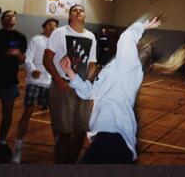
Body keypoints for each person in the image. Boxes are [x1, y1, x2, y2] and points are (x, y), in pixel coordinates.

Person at [59, 16, 162, 164]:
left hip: (112, 135)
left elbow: (126, 37)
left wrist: (143, 26)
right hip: (108, 137)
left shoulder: (129, 66)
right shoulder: (113, 70)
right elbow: (89, 92)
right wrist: (69, 72)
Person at [43, 4, 97, 163]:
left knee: (81, 131)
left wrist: (88, 84)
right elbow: (47, 59)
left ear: (84, 16)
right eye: (75, 10)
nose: (78, 12)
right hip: (63, 87)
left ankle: (71, 164)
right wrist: (59, 81)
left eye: (81, 10)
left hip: (82, 88)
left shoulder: (91, 36)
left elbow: (92, 63)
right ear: (70, 16)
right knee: (64, 133)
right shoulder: (59, 33)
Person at [12, 18, 59, 164]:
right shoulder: (36, 40)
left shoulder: (58, 44)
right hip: (36, 82)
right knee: (27, 112)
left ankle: (59, 150)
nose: (52, 27)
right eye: (50, 25)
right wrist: (33, 70)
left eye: (55, 26)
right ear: (44, 27)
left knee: (56, 118)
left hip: (51, 84)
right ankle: (18, 149)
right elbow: (28, 59)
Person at [0, 10, 27, 162]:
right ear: (2, 20)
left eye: (13, 16)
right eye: (7, 16)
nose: (11, 17)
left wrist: (18, 53)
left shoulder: (20, 38)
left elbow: (22, 60)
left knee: (7, 114)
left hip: (10, 82)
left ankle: (2, 142)